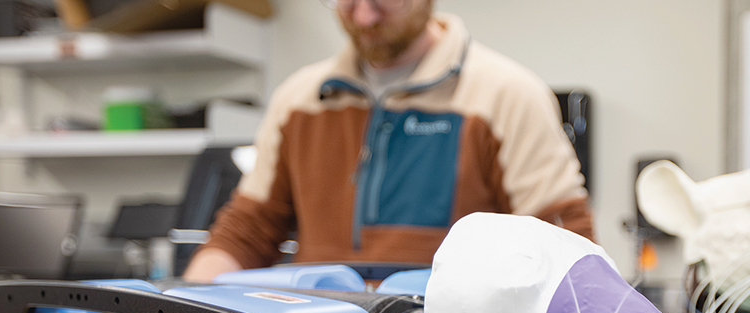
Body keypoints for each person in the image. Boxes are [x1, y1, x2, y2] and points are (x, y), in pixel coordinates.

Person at [183, 0, 593, 281]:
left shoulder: (506, 96)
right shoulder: (300, 101)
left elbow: (564, 246)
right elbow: (247, 233)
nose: (364, 17)